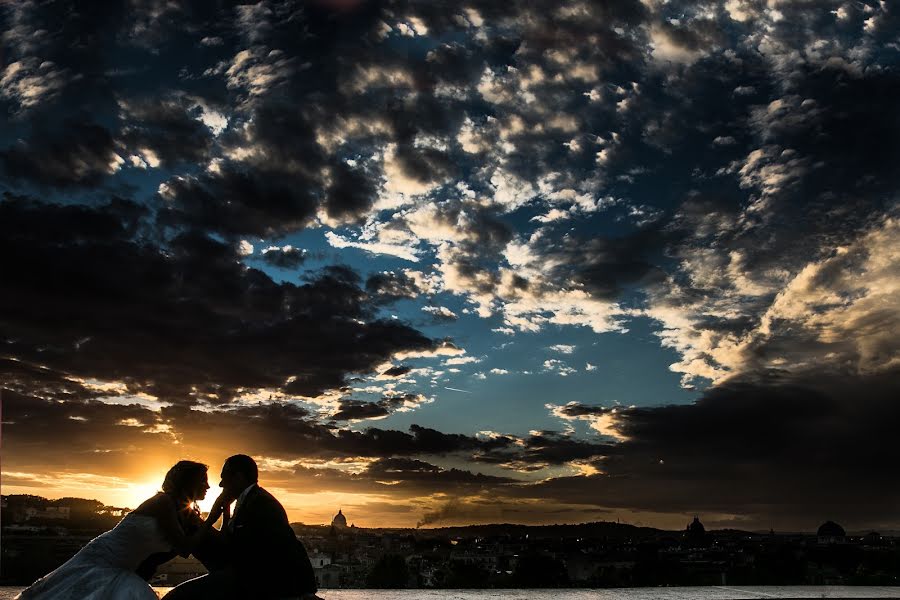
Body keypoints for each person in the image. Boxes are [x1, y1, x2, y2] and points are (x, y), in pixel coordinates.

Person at [16, 460, 228, 600]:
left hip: (123, 569)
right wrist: (211, 519)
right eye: (203, 481)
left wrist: (225, 516)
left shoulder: (187, 514)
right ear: (188, 483)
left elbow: (216, 541)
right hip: (102, 560)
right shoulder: (163, 502)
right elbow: (184, 548)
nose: (208, 487)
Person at [163, 454, 319, 600]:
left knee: (180, 596)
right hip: (247, 577)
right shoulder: (251, 501)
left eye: (224, 478)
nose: (220, 484)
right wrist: (224, 516)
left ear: (238, 477)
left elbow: (247, 550)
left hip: (258, 581)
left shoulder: (261, 504)